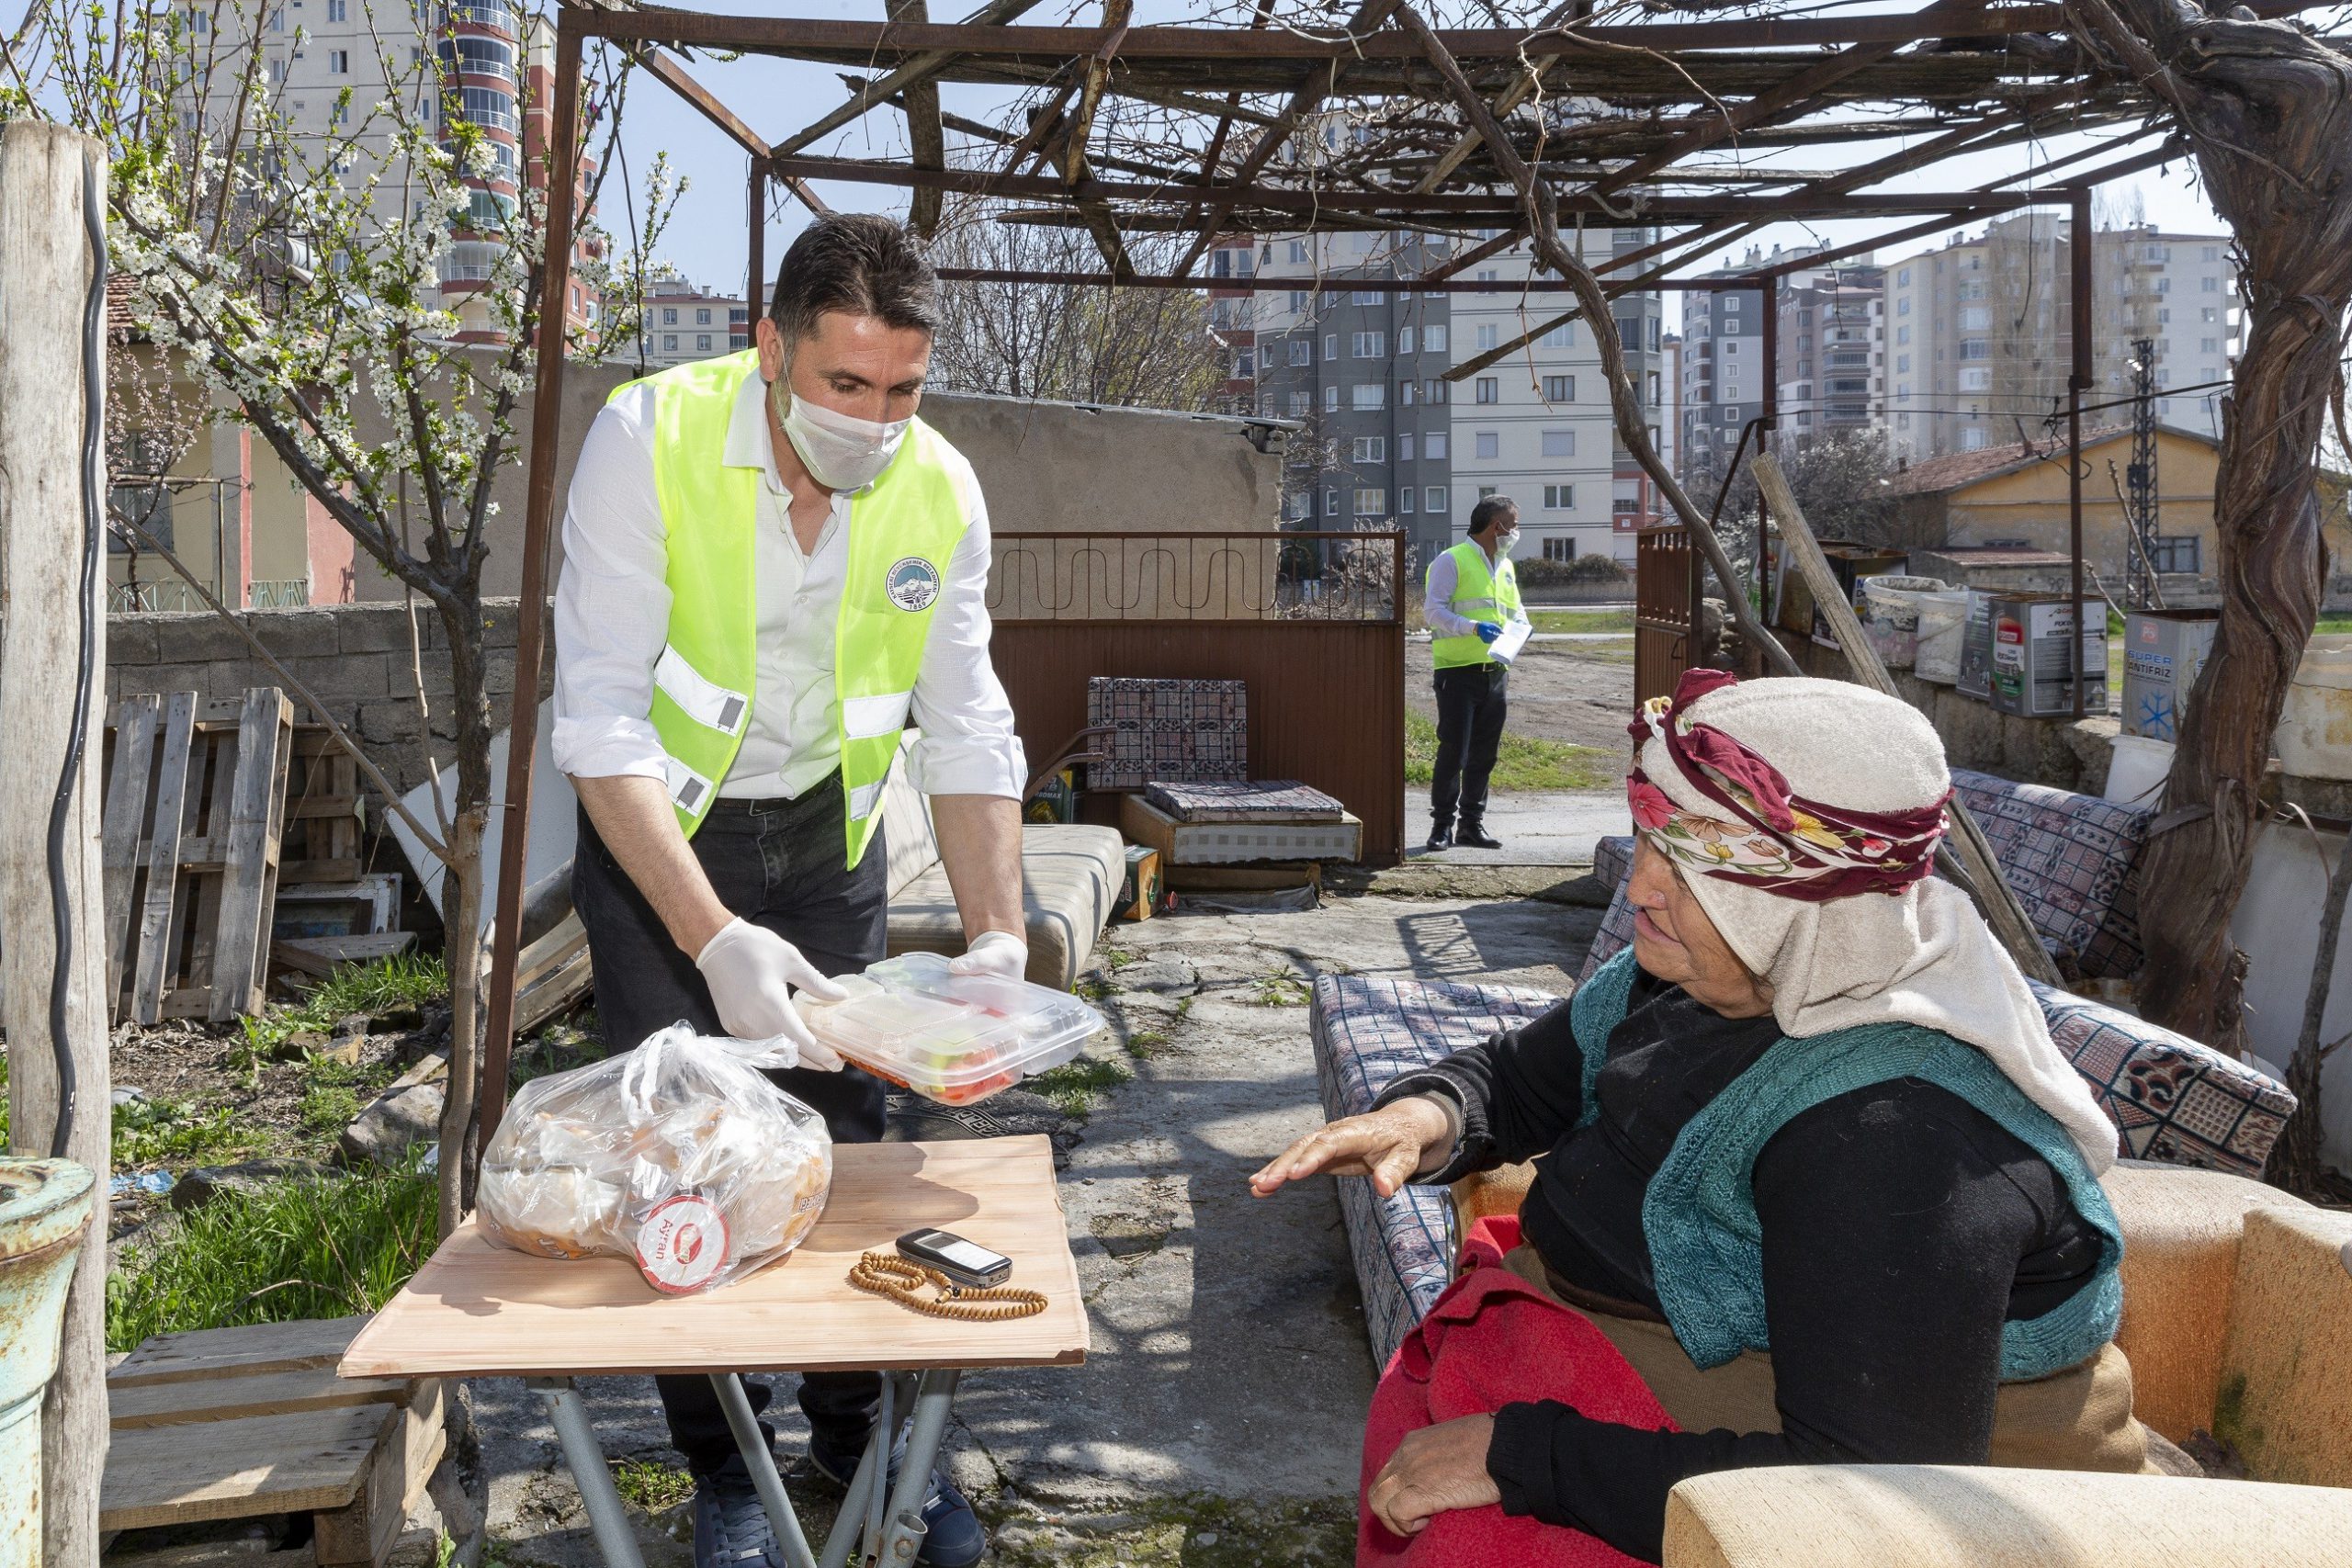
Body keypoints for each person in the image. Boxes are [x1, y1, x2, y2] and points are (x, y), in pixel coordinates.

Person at [1253, 671, 2179, 1567]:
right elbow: (1524, 1079)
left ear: (1816, 893)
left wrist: (1525, 1459)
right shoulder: (1707, 975)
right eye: (1649, 836)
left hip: (1846, 1497)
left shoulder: (1894, 1136)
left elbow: (1871, 1501)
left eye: (1696, 862)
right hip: (1649, 1391)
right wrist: (1427, 1117)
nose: (1642, 885)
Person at [552, 214, 1027, 1568]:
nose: (876, 421)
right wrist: (710, 937)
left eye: (903, 390)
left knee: (845, 1140)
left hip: (829, 843)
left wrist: (996, 928)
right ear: (770, 348)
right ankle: (727, 1467)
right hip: (666, 847)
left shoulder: (941, 488)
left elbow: (969, 721)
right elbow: (601, 723)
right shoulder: (648, 442)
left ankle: (853, 1428)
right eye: (844, 385)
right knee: (685, 1154)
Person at [1421, 496, 1531, 854]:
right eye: (1512, 524)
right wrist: (1471, 628)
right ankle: (1442, 827)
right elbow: (1432, 612)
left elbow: (1516, 614)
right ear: (1495, 526)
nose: (1515, 532)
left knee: (1485, 754)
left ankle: (1471, 824)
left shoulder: (1505, 566)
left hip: (1495, 671)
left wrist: (1520, 631)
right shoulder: (1451, 560)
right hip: (1457, 671)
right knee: (1454, 751)